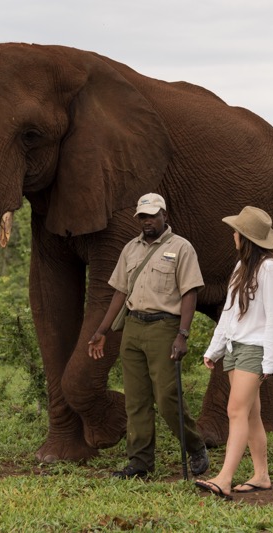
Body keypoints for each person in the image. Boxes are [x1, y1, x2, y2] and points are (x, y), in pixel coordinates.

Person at [88, 192, 209, 479]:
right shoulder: (131, 248)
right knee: (136, 400)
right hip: (133, 327)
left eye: (152, 215)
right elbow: (120, 291)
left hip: (164, 327)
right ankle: (140, 462)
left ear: (165, 215)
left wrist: (183, 334)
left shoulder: (181, 248)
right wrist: (102, 330)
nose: (147, 221)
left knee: (167, 396)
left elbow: (190, 292)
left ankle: (195, 445)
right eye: (142, 216)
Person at [193, 206, 273, 500]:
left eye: (236, 230)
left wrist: (271, 361)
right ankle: (261, 475)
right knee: (252, 414)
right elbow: (229, 314)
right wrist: (214, 349)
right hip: (234, 348)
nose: (232, 234)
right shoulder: (241, 267)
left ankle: (225, 478)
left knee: (235, 411)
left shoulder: (270, 269)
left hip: (254, 349)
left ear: (245, 237)